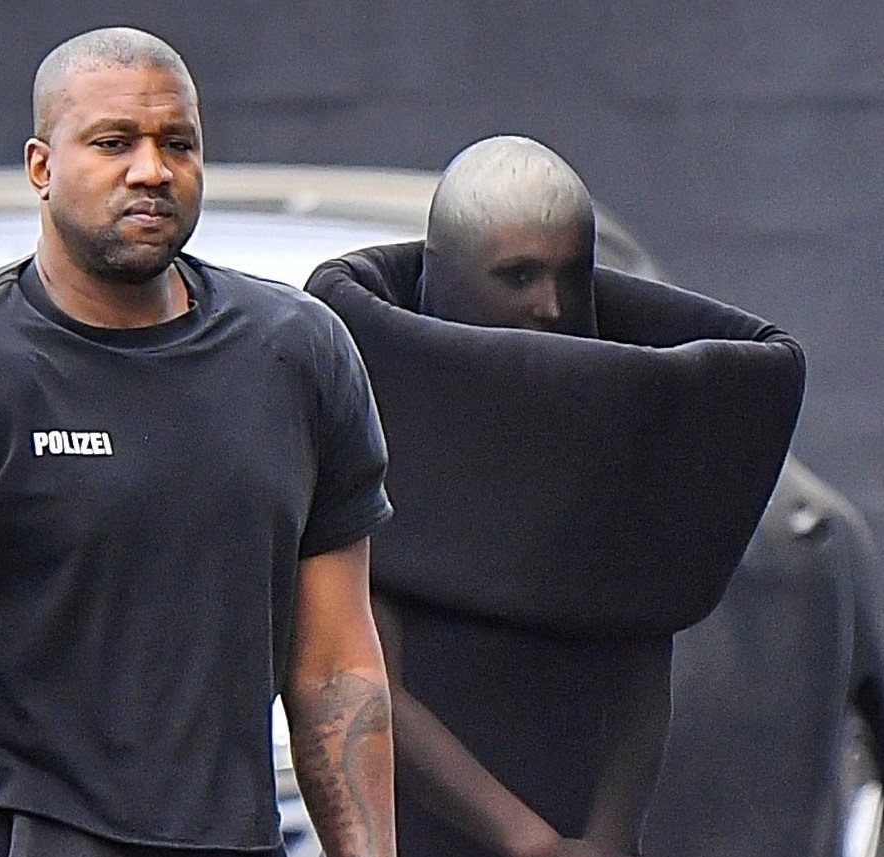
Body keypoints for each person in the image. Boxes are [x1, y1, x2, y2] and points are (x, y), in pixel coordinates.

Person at [0, 27, 396, 857]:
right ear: (40, 167)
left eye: (178, 144)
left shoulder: (297, 355)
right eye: (114, 142)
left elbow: (337, 669)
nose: (152, 169)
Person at [305, 135, 806, 857]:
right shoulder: (378, 417)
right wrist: (526, 838)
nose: (550, 305)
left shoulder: (611, 432)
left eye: (570, 275)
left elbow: (643, 639)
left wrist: (607, 836)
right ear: (443, 273)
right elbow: (367, 676)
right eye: (517, 276)